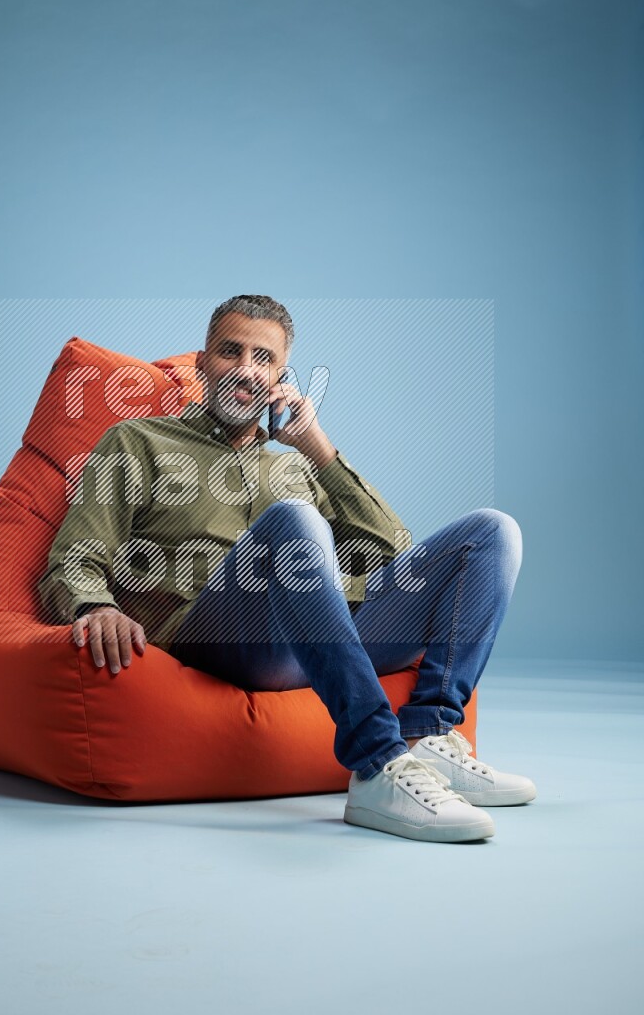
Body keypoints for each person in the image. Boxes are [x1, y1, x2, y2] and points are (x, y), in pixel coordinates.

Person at [38, 294, 535, 843]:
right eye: (230, 352)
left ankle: (430, 736)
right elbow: (74, 554)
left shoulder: (294, 465)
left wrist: (316, 445)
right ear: (202, 363)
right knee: (294, 521)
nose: (245, 370)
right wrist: (95, 604)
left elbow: (393, 554)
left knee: (491, 533)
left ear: (280, 375)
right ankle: (376, 765)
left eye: (263, 358)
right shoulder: (138, 441)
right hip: (222, 637)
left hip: (324, 639)